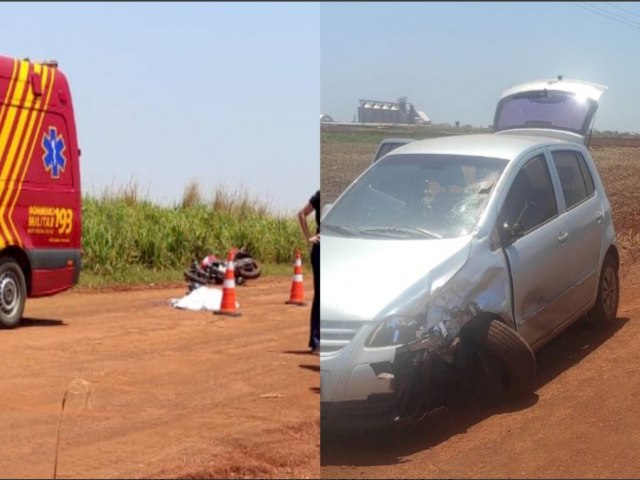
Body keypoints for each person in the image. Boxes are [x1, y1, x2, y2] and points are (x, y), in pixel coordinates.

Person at [297, 190, 320, 354]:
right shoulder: (320, 195)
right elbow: (302, 214)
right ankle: (316, 341)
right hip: (322, 249)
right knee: (321, 295)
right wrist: (309, 237)